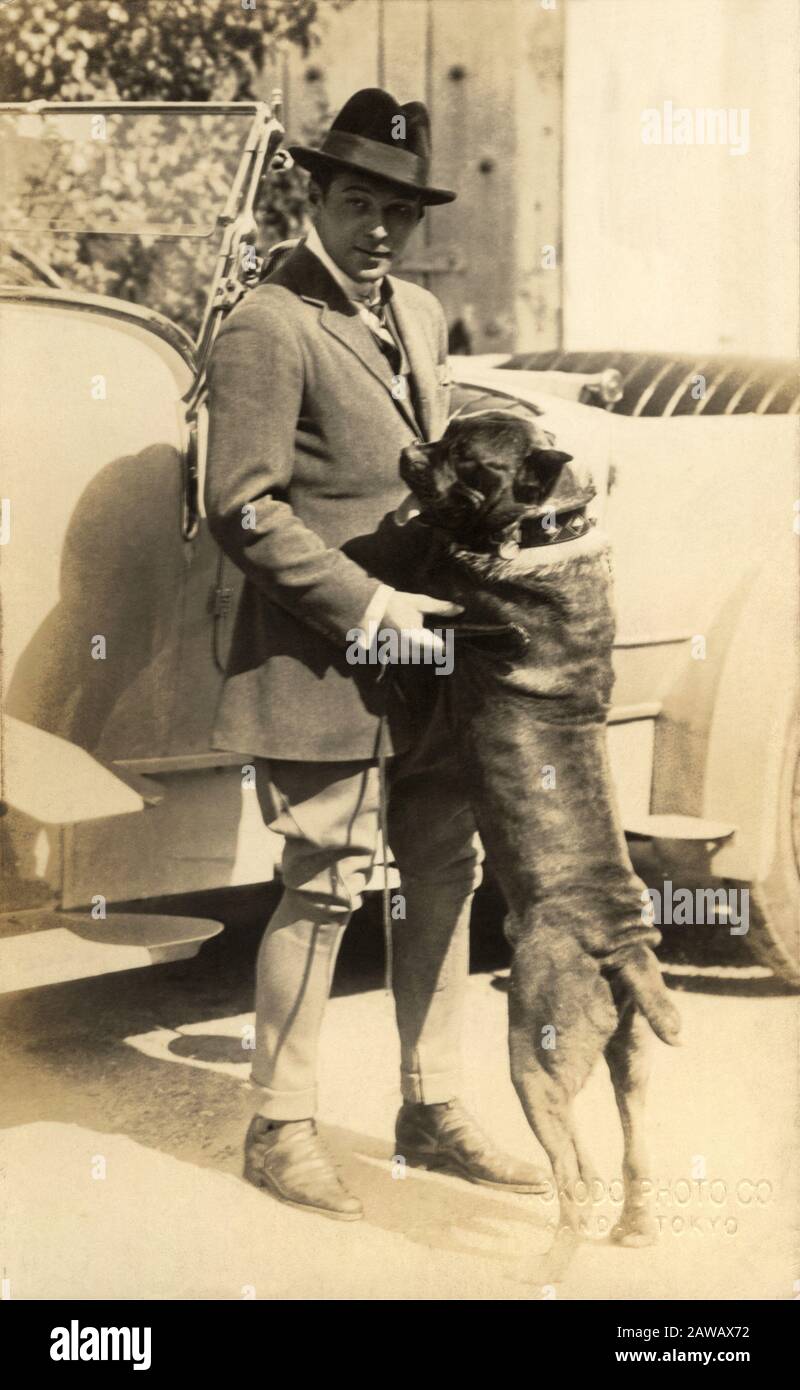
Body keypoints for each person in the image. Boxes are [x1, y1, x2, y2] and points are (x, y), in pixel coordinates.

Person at [204, 88, 547, 1220]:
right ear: (316, 196)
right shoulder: (269, 322)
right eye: (360, 204)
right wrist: (364, 604)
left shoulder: (421, 314)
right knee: (324, 887)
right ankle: (278, 1125)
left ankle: (431, 1108)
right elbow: (242, 507)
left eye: (400, 211)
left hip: (428, 663)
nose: (381, 230)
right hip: (321, 660)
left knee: (445, 874)